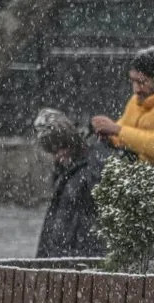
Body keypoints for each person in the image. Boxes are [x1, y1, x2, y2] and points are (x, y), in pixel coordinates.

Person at [32, 108, 107, 258]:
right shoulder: (67, 171)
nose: (57, 157)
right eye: (51, 152)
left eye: (58, 149)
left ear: (69, 142)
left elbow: (94, 218)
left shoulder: (92, 167)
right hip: (65, 255)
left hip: (78, 256)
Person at [90, 47, 154, 164]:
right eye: (133, 81)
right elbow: (122, 133)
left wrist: (117, 130)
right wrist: (108, 134)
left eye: (142, 82)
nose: (136, 89)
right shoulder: (136, 101)